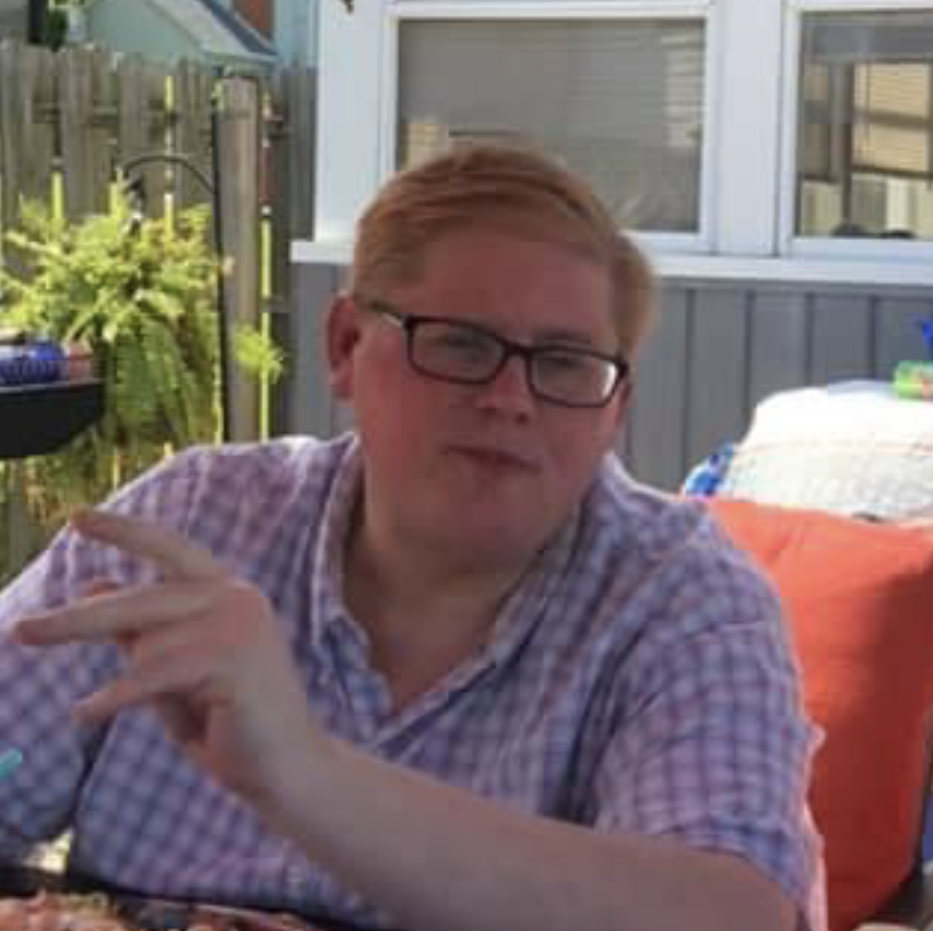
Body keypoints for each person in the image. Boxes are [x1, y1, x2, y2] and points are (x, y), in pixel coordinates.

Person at [0, 144, 825, 931]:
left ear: (616, 408)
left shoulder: (681, 597)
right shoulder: (191, 524)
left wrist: (304, 773)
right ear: (345, 346)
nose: (510, 399)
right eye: (459, 342)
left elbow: (731, 911)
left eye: (564, 362)